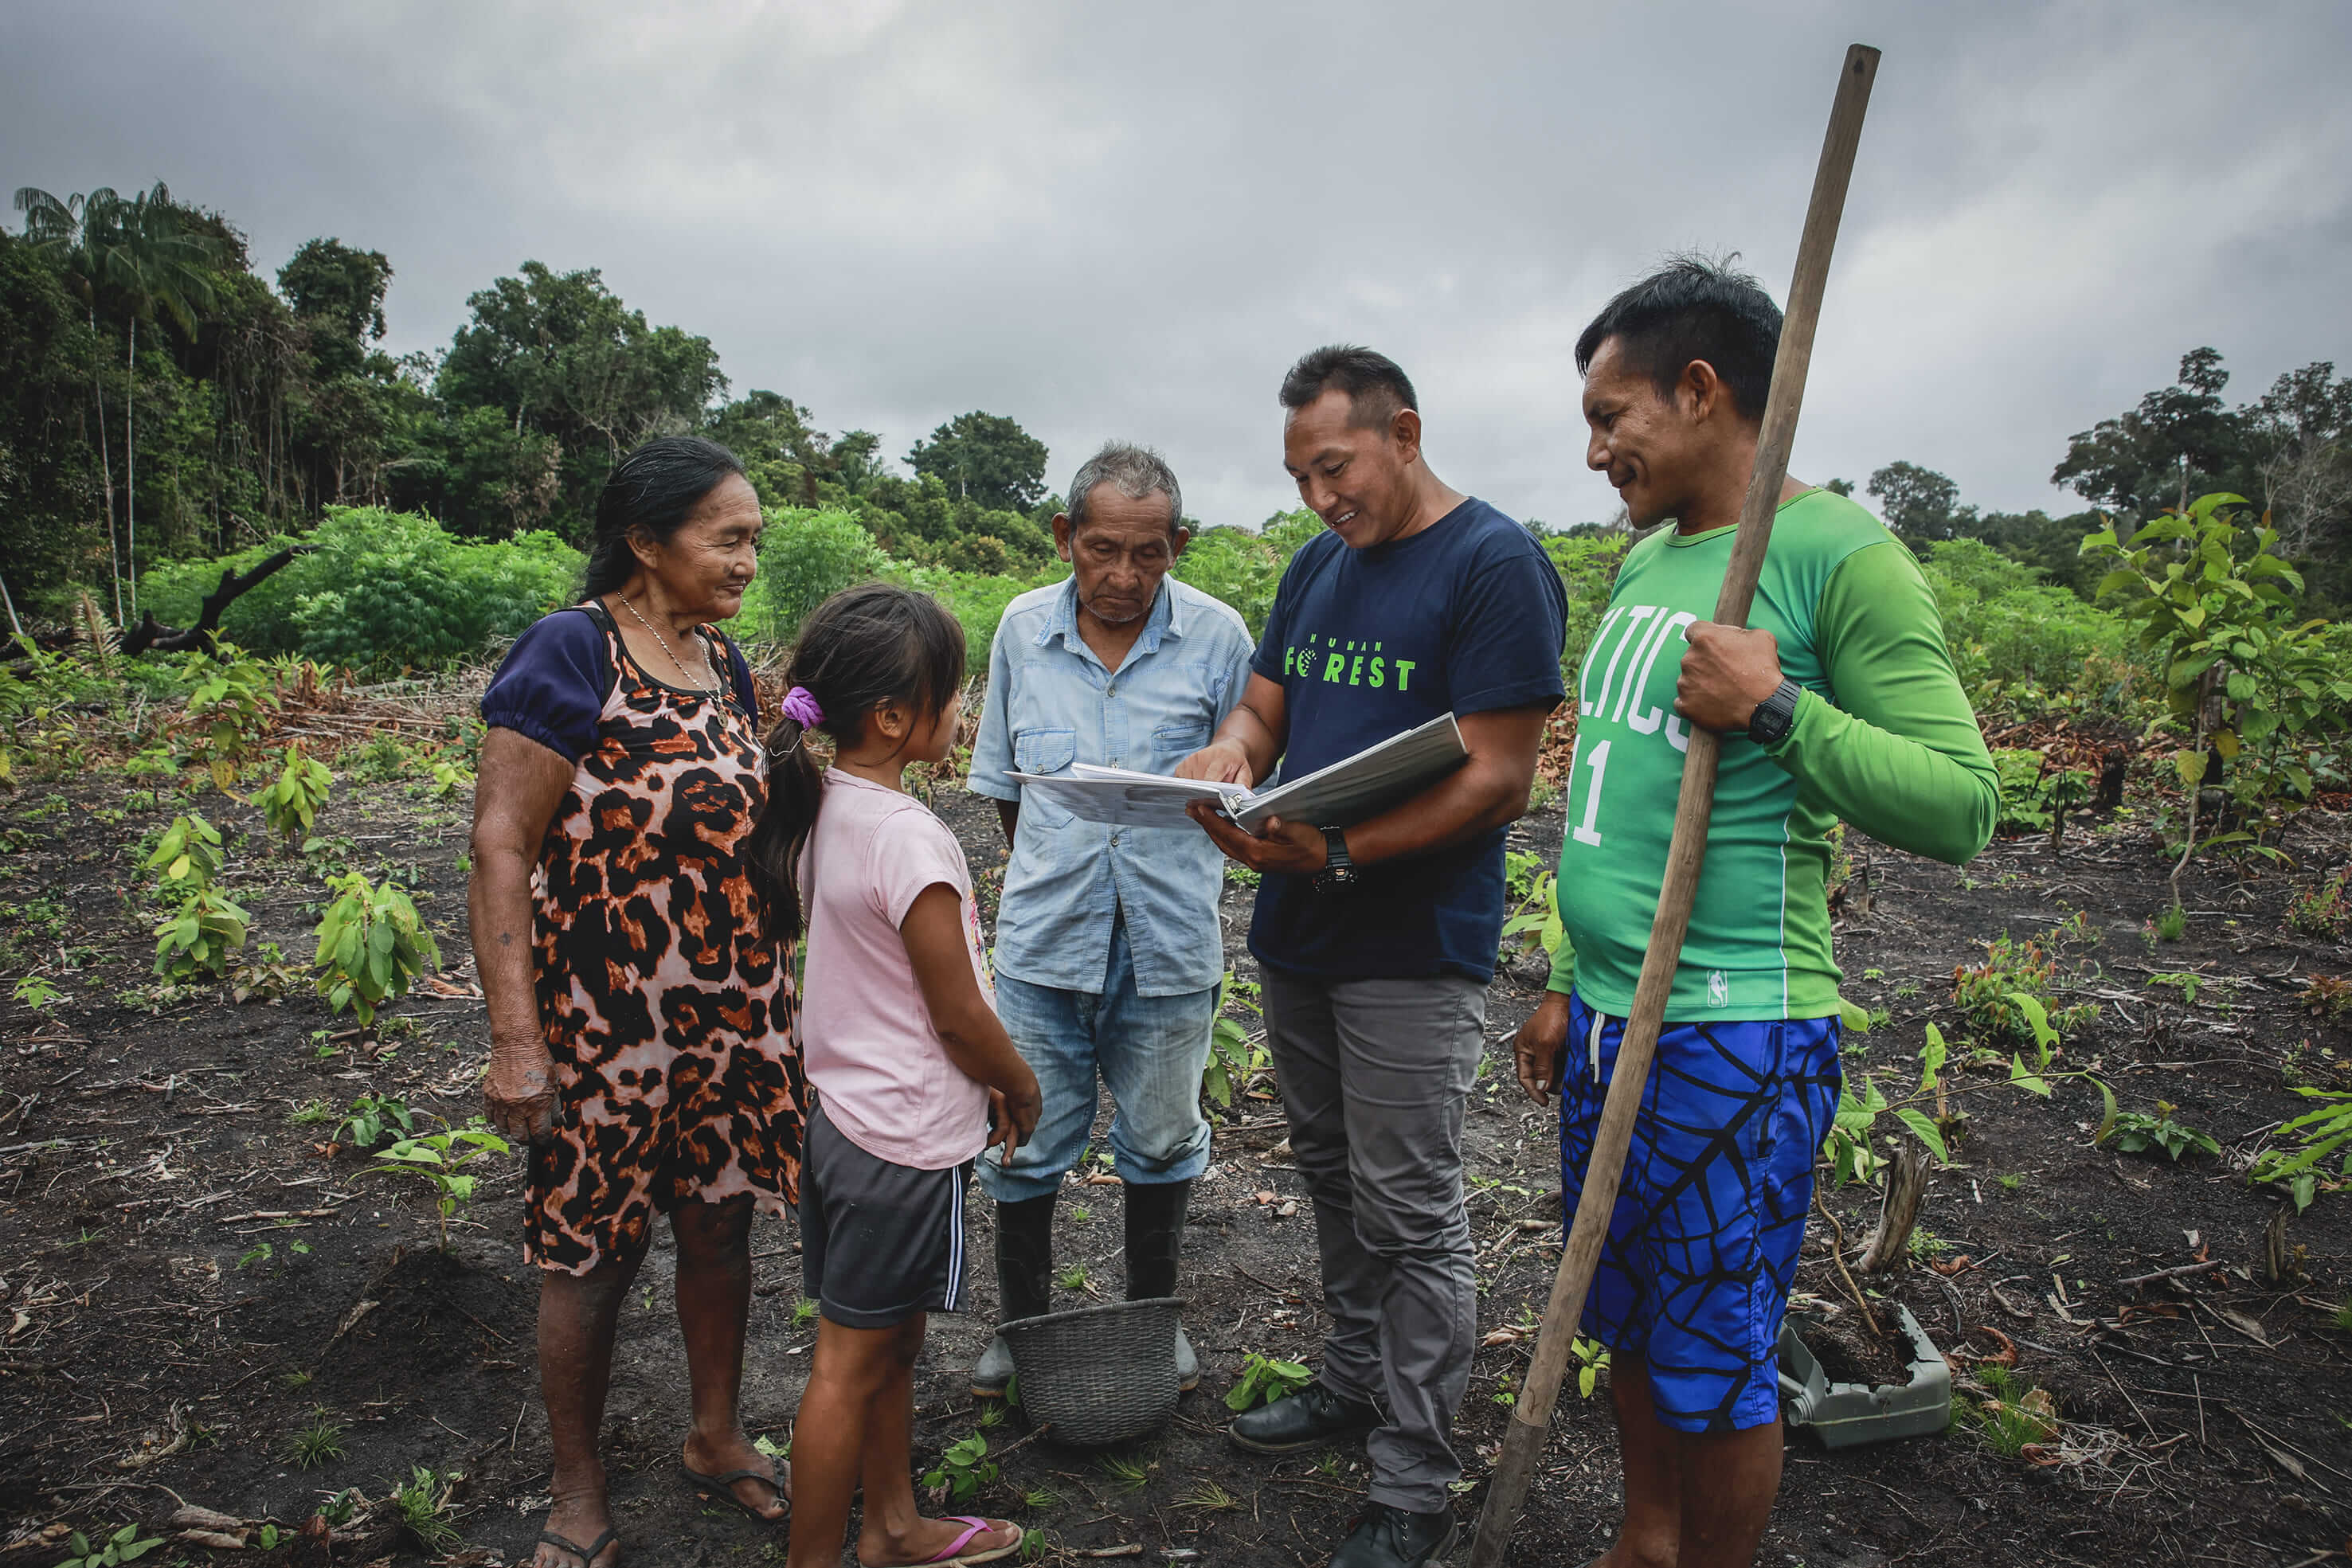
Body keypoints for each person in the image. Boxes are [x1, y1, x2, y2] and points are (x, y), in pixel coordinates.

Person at [1514, 256, 1998, 1568]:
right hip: (1610, 1018)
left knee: (1714, 1353)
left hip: (1732, 1031)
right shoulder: (1651, 559)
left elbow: (1962, 804)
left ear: (1699, 387)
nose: (1596, 451)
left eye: (1610, 417)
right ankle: (1645, 1541)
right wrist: (1561, 973)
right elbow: (1611, 792)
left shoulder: (1840, 556)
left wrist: (1774, 708)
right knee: (1622, 1310)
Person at [1177, 347, 1568, 1568]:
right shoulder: (1316, 566)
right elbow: (1267, 706)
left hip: (1411, 939)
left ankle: (1412, 1479)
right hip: (1299, 927)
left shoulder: (1493, 564)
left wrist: (1340, 848)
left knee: (1408, 1204)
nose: (1319, 498)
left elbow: (1499, 777)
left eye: (1335, 468)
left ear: (1403, 432)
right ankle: (1352, 1378)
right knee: (1331, 1172)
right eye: (1299, 477)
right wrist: (1232, 755)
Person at [472, 436, 804, 1568]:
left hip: (731, 1012)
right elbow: (502, 844)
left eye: (754, 539)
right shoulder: (573, 650)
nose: (747, 560)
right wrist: (516, 1039)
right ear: (646, 541)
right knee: (591, 1251)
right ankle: (576, 1493)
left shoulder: (723, 661)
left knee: (718, 1225)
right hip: (607, 1018)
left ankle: (715, 1436)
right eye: (729, 538)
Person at [743, 583, 1044, 1568]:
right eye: (951, 693)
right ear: (891, 717)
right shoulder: (907, 836)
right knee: (846, 1366)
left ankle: (894, 1524)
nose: (960, 710)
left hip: (844, 1124)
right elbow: (956, 1011)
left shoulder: (827, 804)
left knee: (887, 1345)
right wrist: (1018, 1080)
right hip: (900, 1144)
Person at [963, 442, 1254, 1396]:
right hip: (1045, 943)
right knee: (1024, 1142)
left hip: (1170, 940)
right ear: (1065, 538)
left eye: (1148, 553)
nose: (1123, 575)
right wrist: (1057, 870)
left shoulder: (1218, 638)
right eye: (1102, 550)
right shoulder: (1020, 630)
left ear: (1178, 546)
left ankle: (1151, 1322)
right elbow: (1007, 788)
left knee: (1163, 1140)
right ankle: (1021, 1330)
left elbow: (1245, 783)